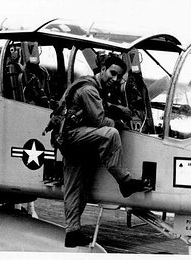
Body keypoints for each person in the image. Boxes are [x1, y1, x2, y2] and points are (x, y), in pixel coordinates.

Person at [59, 54, 152, 248]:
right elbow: (100, 120)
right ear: (102, 69)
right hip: (73, 137)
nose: (115, 79)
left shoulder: (94, 88)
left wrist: (119, 109)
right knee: (110, 133)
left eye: (119, 76)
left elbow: (101, 106)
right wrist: (120, 122)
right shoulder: (88, 89)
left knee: (77, 188)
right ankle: (125, 182)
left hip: (76, 139)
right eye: (112, 73)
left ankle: (72, 232)